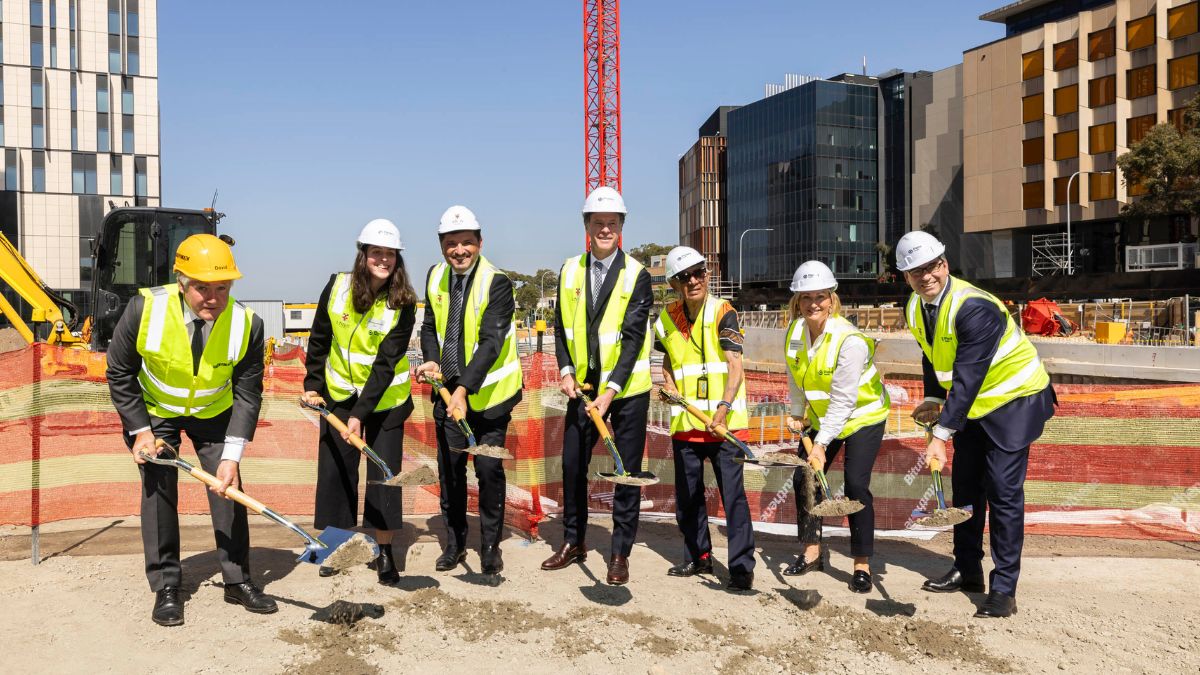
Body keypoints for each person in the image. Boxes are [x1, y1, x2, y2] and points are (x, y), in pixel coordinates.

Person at [106, 233, 277, 627]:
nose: (213, 298)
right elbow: (119, 371)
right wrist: (140, 431)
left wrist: (232, 455)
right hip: (155, 414)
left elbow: (248, 393)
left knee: (227, 489)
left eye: (222, 287)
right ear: (181, 281)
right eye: (202, 288)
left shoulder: (248, 324)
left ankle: (237, 580)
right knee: (159, 491)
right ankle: (167, 585)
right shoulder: (144, 308)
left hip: (213, 413)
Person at [896, 230, 1056, 618]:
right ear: (906, 277)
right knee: (966, 490)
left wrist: (940, 435)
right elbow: (934, 357)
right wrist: (934, 399)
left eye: (931, 267)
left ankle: (1004, 589)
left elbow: (968, 378)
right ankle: (968, 570)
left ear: (944, 264)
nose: (925, 277)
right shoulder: (916, 307)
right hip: (973, 408)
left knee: (1002, 492)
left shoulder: (974, 307)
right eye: (915, 271)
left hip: (1014, 403)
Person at [542, 186, 654, 586]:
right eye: (597, 223)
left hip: (625, 395)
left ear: (621, 227)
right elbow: (560, 328)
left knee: (625, 473)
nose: (604, 229)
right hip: (583, 390)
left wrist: (611, 391)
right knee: (573, 466)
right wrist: (567, 370)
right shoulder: (570, 270)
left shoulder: (637, 275)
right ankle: (574, 542)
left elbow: (632, 338)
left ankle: (619, 552)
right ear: (587, 226)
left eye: (612, 223)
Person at [301, 218, 418, 584]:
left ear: (397, 259)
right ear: (363, 254)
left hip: (386, 401)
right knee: (336, 472)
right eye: (376, 253)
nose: (383, 260)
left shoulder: (403, 302)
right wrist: (312, 384)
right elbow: (319, 339)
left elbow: (385, 365)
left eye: (390, 254)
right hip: (338, 394)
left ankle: (384, 552)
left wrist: (360, 414)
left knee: (384, 476)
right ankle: (339, 546)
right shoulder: (336, 287)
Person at [415, 205, 522, 575]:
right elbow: (430, 326)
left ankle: (490, 546)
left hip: (489, 400)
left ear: (479, 242)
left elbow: (491, 342)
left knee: (489, 472)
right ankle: (455, 544)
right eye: (451, 243)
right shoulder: (435, 277)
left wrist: (463, 388)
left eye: (466, 243)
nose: (458, 250)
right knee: (451, 472)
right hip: (446, 395)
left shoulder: (498, 282)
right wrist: (431, 360)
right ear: (441, 245)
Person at [781, 260, 889, 594]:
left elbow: (843, 401)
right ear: (796, 301)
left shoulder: (850, 341)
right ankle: (812, 551)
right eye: (806, 297)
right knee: (805, 477)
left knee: (856, 485)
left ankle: (861, 565)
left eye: (820, 296)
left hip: (861, 417)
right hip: (821, 418)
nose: (813, 303)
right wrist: (798, 412)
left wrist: (821, 444)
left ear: (832, 299)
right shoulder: (795, 332)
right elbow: (796, 376)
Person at [654, 246, 756, 591]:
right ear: (673, 283)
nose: (694, 280)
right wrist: (667, 383)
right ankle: (698, 557)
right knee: (689, 498)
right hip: (686, 426)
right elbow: (668, 360)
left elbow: (735, 365)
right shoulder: (666, 318)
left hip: (724, 426)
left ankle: (741, 567)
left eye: (699, 273)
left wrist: (723, 408)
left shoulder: (723, 311)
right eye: (685, 277)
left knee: (734, 499)